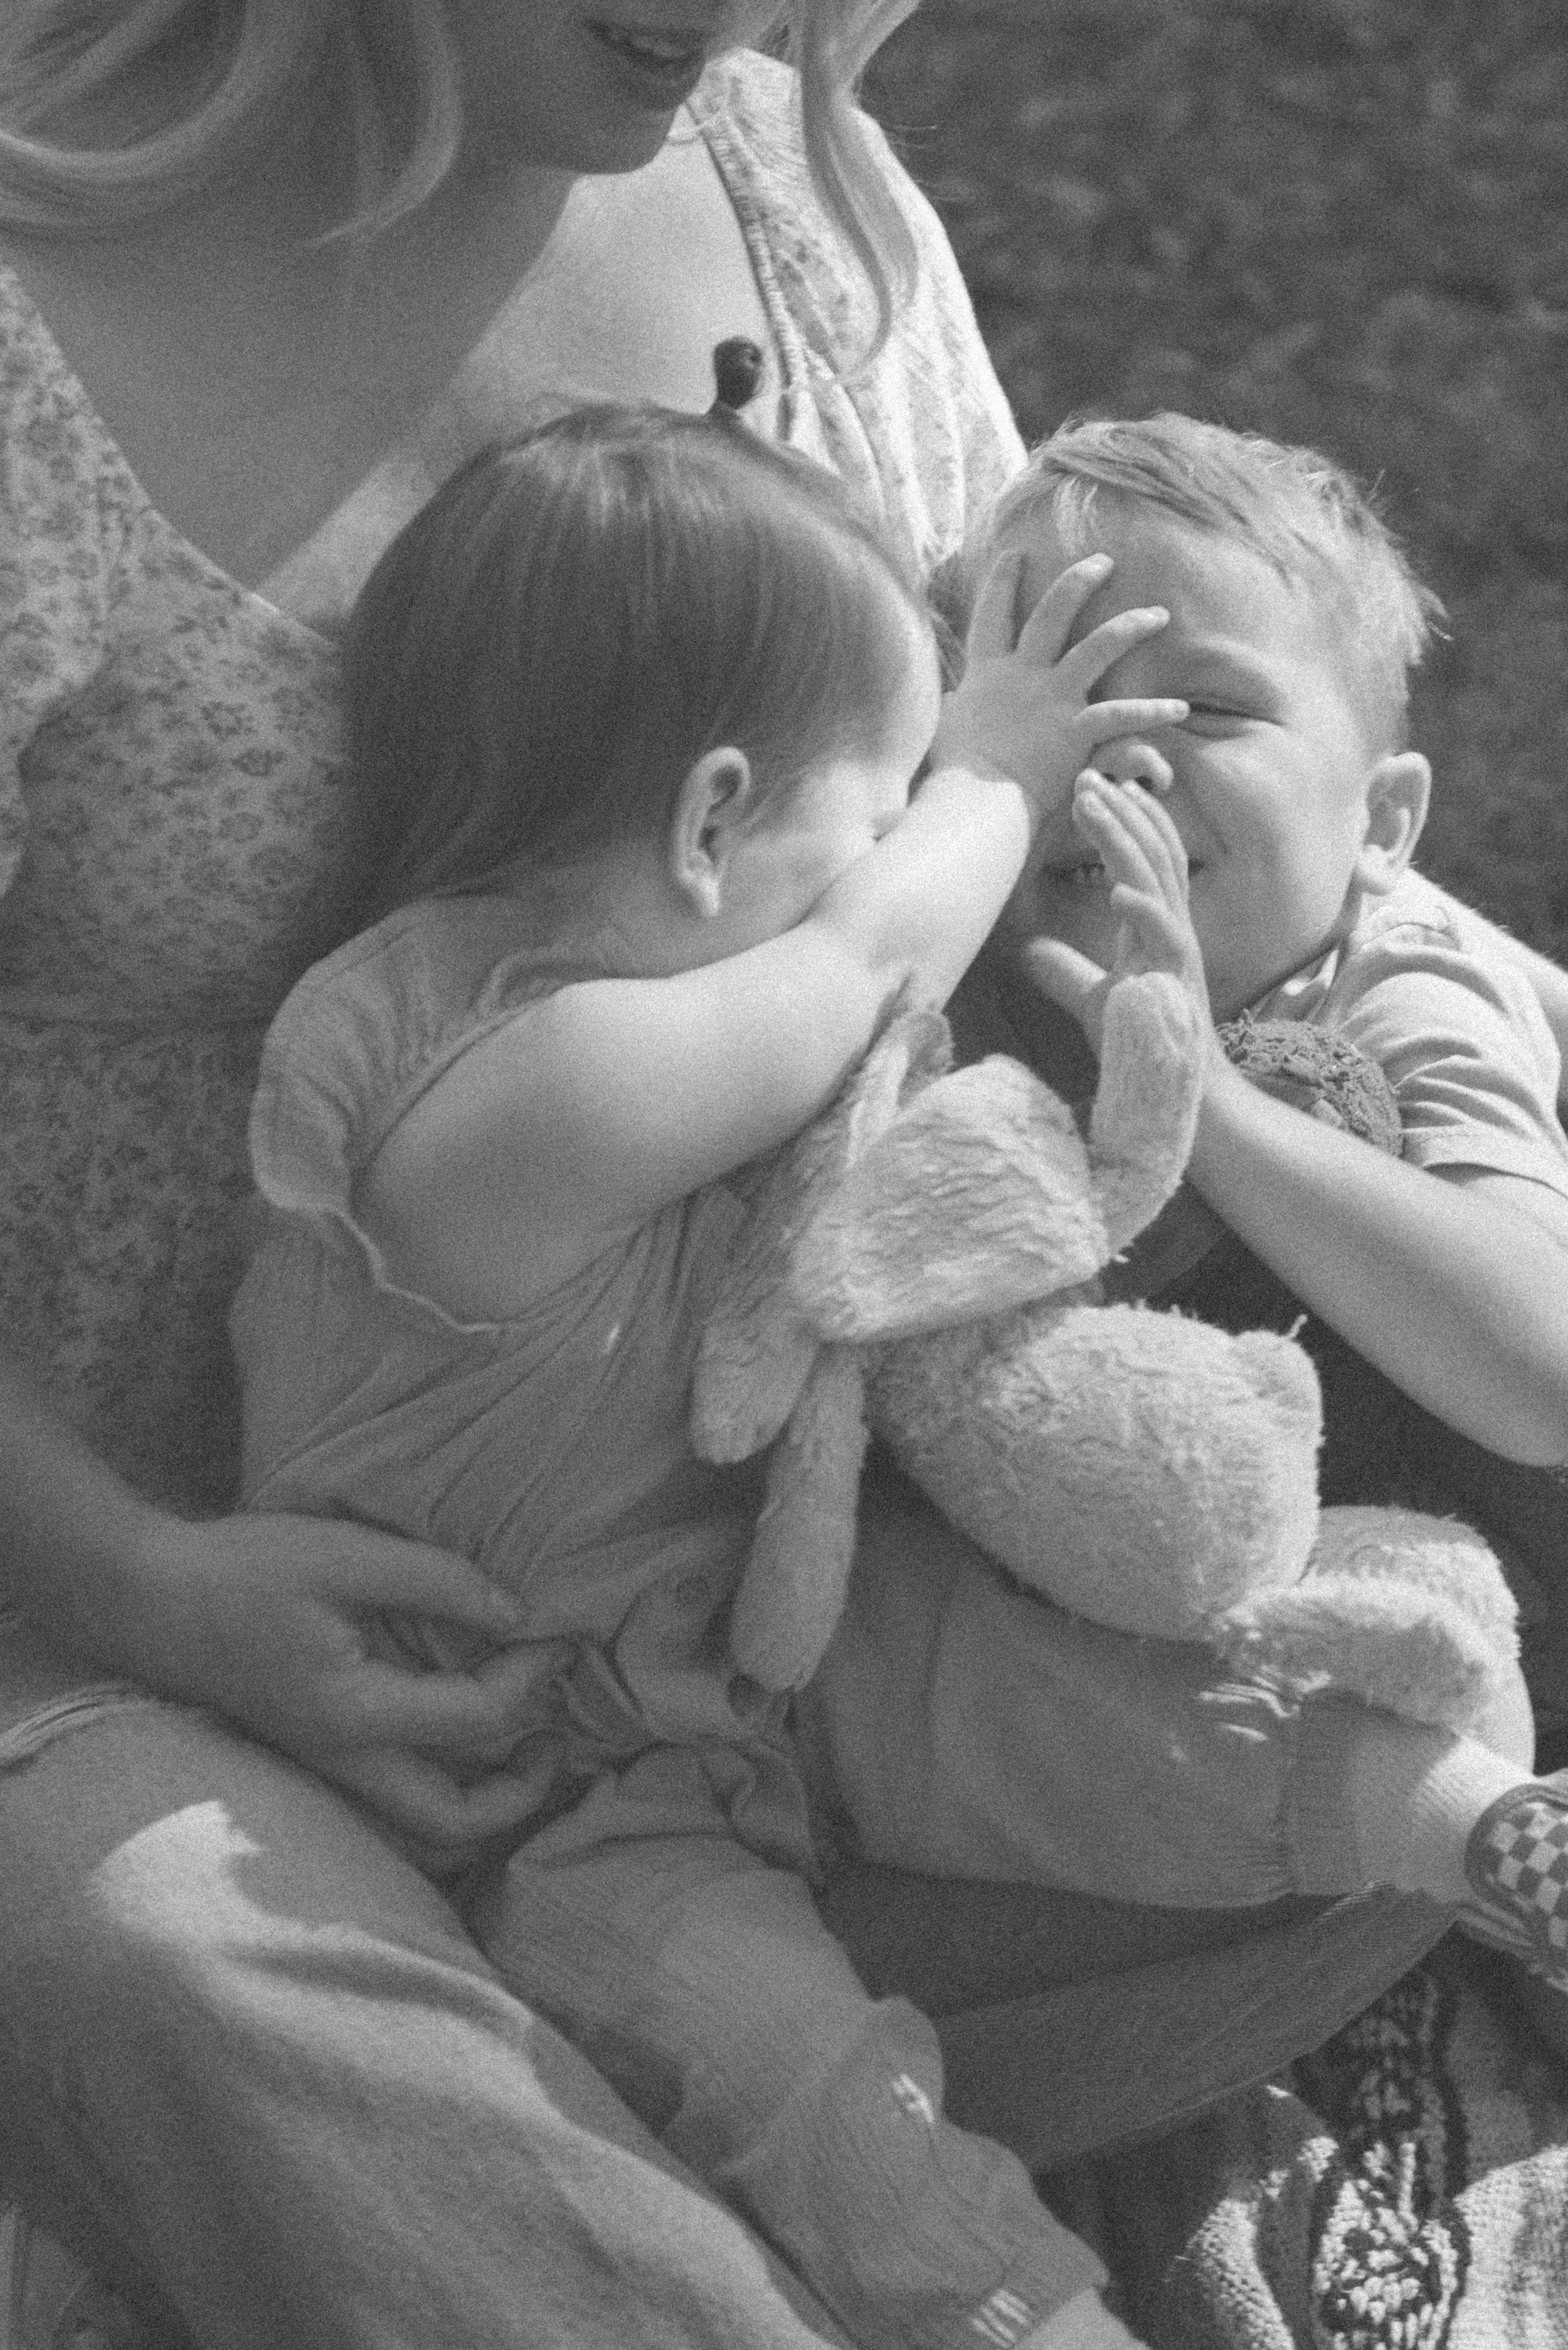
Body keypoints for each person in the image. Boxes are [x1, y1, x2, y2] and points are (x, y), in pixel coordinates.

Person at [0, 5, 1562, 2346]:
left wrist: (1462, 1066)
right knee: (152, 1933)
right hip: (124, 1601)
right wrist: (136, 1574)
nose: (751, 11)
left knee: (1386, 1650)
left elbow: (1074, 771)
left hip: (760, 1593)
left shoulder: (794, 206)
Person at [959, 412, 1568, 1738]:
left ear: (1383, 824)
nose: (1120, 753)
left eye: (1210, 709)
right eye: (1059, 705)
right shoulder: (972, 966)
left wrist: (1207, 1098)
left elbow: (1538, 1370)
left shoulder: (1393, 984)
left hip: (1485, 1569)